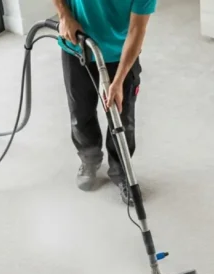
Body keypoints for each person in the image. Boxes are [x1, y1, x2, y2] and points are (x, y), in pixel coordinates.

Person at [53, 0, 155, 201]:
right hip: (77, 45)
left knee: (122, 118)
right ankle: (89, 159)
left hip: (120, 53)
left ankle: (121, 170)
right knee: (80, 112)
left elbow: (137, 29)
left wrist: (118, 81)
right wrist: (65, 16)